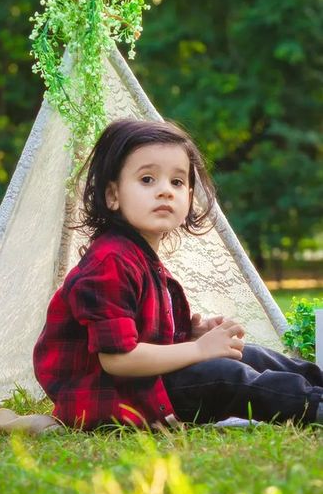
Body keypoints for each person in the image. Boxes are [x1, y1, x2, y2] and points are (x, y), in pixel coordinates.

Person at [33, 119, 323, 430]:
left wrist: (190, 335)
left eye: (177, 182)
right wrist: (199, 350)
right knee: (225, 375)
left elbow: (144, 336)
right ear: (112, 195)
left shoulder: (138, 255)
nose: (165, 192)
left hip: (144, 384)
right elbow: (118, 359)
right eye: (147, 179)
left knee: (245, 354)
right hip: (114, 398)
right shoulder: (109, 262)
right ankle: (314, 408)